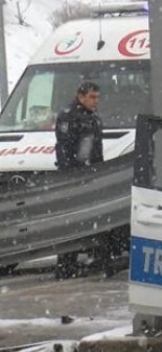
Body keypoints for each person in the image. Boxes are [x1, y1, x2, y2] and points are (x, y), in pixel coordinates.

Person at [54, 81, 107, 280]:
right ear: (81, 96)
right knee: (72, 222)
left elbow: (95, 149)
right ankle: (66, 265)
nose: (96, 102)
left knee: (92, 219)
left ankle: (98, 258)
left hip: (92, 175)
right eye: (92, 97)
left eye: (98, 98)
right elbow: (65, 149)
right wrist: (73, 177)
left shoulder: (92, 117)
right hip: (75, 178)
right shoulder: (69, 116)